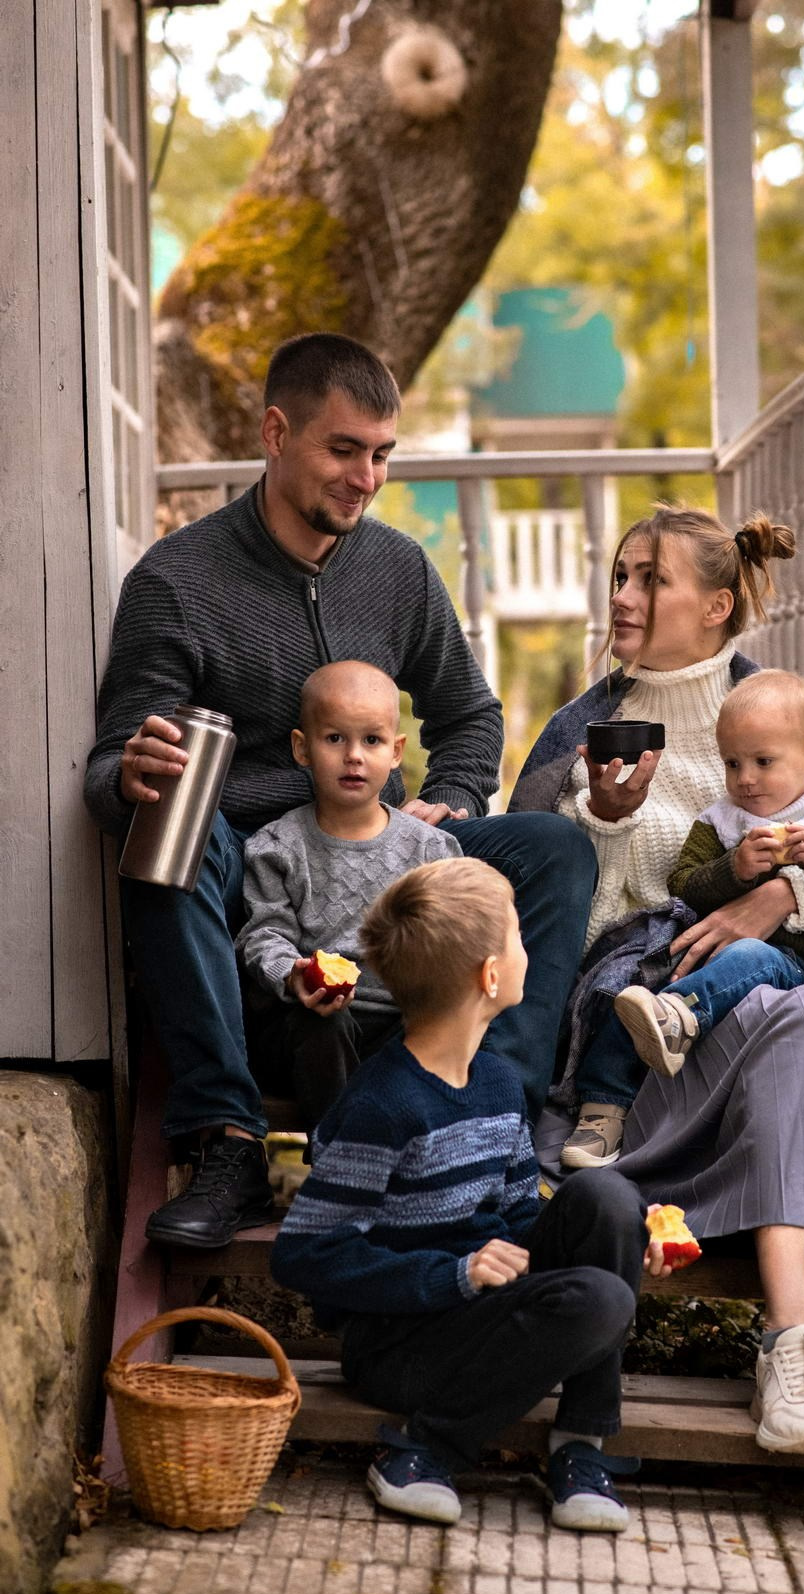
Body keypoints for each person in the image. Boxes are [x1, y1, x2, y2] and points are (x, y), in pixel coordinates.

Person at [83, 332, 596, 1249]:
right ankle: (229, 1135)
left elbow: (470, 716)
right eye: (344, 449)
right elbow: (109, 768)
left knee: (553, 847)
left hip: (394, 855)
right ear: (277, 433)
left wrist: (459, 802)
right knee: (171, 827)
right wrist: (131, 774)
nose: (367, 477)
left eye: (383, 454)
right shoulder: (176, 583)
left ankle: (496, 1109)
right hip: (261, 876)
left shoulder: (398, 569)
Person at [510, 503, 804, 1454]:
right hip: (661, 1040)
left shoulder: (796, 721)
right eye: (621, 575)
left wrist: (788, 903)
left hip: (787, 1009)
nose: (623, 595)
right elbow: (557, 937)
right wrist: (602, 823)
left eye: (650, 579)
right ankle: (794, 1335)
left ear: (717, 606)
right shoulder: (580, 733)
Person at [272, 859, 671, 1531]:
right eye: (517, 937)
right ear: (491, 976)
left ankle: (581, 1445)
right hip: (401, 1346)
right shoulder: (385, 1106)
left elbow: (518, 1217)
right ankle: (425, 1450)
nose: (527, 951)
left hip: (484, 1316)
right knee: (603, 1298)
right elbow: (304, 1254)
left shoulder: (496, 1083)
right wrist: (449, 1274)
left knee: (607, 1196)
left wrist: (632, 1227)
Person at [608, 667, 804, 1101]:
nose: (745, 778)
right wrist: (734, 868)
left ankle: (679, 1015)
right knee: (628, 973)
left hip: (801, 964)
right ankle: (603, 1100)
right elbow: (684, 883)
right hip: (717, 949)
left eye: (763, 762)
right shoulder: (721, 820)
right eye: (732, 763)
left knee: (751, 954)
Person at [236, 660, 462, 1132]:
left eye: (372, 740)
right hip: (311, 1021)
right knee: (323, 1025)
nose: (354, 755)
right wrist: (291, 973)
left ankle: (429, 1162)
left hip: (400, 1022)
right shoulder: (277, 847)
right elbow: (263, 936)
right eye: (335, 738)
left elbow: (452, 938)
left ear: (397, 751)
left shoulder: (430, 848)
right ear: (302, 748)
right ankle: (340, 1163)